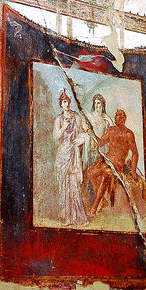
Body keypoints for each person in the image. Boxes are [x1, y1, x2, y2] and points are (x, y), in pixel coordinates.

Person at [87, 109, 138, 218]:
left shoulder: (129, 134)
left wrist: (133, 170)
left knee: (105, 176)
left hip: (116, 165)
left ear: (124, 119)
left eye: (119, 116)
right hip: (106, 161)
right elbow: (100, 143)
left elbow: (135, 153)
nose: (116, 117)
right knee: (90, 173)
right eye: (116, 115)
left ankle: (94, 209)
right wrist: (92, 133)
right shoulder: (111, 130)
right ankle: (103, 200)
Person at [53, 90, 90, 226]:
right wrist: (64, 128)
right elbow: (56, 137)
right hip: (63, 153)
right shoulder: (59, 119)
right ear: (61, 104)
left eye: (68, 101)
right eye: (64, 102)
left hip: (74, 152)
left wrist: (84, 135)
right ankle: (67, 217)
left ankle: (79, 217)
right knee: (65, 185)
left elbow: (83, 132)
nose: (67, 103)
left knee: (75, 184)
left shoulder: (76, 116)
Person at [83, 94, 113, 169]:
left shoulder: (105, 119)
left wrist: (110, 120)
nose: (96, 105)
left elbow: (112, 133)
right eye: (95, 103)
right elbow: (85, 129)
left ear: (102, 105)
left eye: (98, 103)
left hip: (101, 148)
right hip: (91, 145)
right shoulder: (89, 116)